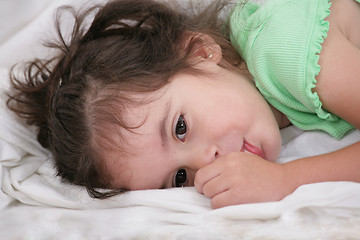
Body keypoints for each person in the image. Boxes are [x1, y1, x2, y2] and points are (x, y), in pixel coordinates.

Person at [6, 0, 360, 209]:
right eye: (178, 179)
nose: (205, 164)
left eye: (180, 128)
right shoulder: (265, 96)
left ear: (200, 52)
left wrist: (286, 179)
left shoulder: (285, 51)